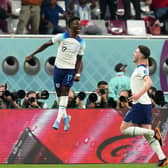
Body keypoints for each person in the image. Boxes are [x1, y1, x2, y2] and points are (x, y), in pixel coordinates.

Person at [25, 16, 85, 131]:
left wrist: (77, 74)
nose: (78, 26)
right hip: (58, 69)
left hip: (70, 70)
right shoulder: (61, 37)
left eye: (79, 24)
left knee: (64, 92)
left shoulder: (81, 42)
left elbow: (79, 59)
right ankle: (66, 117)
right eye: (75, 24)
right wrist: (33, 54)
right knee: (59, 96)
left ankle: (57, 120)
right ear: (69, 26)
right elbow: (46, 45)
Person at [120, 45, 168, 167]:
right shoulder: (142, 68)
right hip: (144, 104)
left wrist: (137, 95)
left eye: (136, 51)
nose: (133, 53)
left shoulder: (141, 69)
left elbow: (149, 82)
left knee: (124, 129)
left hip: (140, 104)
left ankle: (153, 133)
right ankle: (162, 158)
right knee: (147, 135)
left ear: (141, 55)